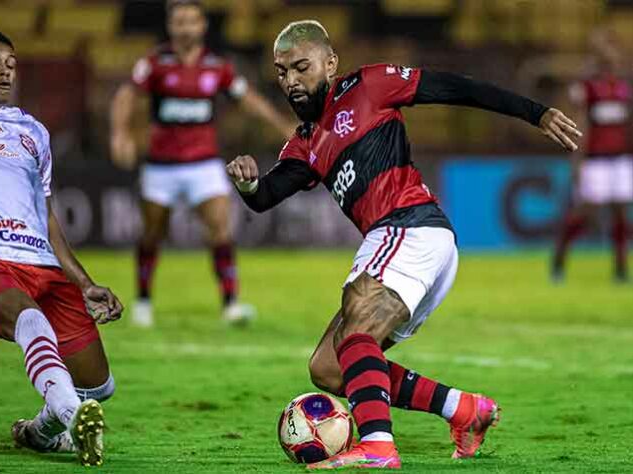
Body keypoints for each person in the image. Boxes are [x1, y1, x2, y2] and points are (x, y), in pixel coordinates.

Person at [227, 20, 581, 469]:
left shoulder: (368, 86)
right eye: (282, 72)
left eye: (301, 67)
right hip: (412, 243)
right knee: (330, 367)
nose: (292, 81)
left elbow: (454, 88)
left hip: (409, 225)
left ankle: (377, 445)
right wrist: (248, 185)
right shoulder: (304, 144)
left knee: (356, 315)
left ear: (330, 63)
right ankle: (463, 410)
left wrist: (536, 112)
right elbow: (266, 196)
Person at [0, 31, 123, 467]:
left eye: (11, 63)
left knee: (99, 383)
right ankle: (74, 416)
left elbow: (46, 217)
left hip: (42, 265)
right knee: (28, 317)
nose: (5, 70)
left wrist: (85, 283)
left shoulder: (34, 132)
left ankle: (41, 432)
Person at [110, 0, 294, 327]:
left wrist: (282, 126)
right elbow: (127, 96)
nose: (185, 28)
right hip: (161, 165)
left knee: (221, 230)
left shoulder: (216, 66)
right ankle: (142, 300)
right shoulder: (155, 63)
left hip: (204, 163)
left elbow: (247, 98)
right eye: (179, 22)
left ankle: (231, 303)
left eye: (191, 22)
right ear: (171, 27)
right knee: (152, 234)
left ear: (202, 27)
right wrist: (120, 133)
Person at [552, 28, 631, 283]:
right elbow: (581, 124)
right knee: (587, 210)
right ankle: (560, 257)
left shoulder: (623, 87)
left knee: (620, 211)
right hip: (596, 159)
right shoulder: (587, 87)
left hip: (620, 158)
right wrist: (577, 160)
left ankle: (620, 268)